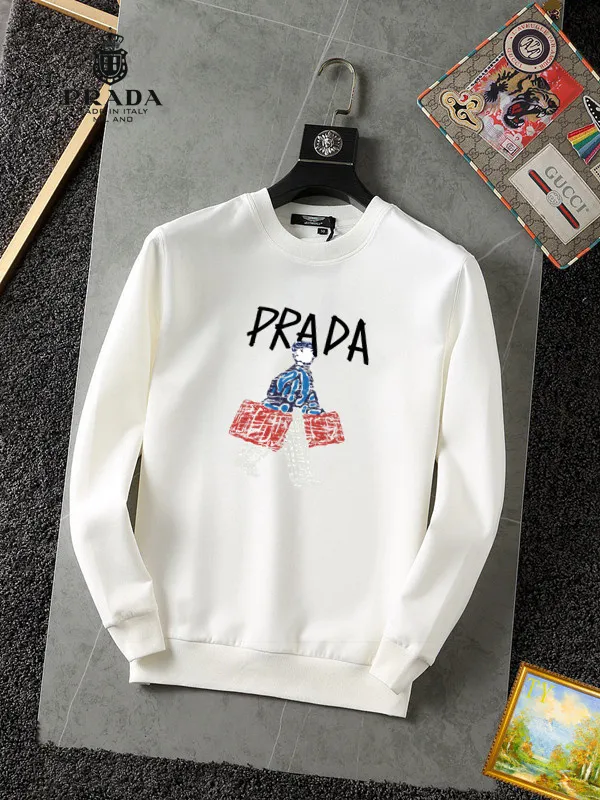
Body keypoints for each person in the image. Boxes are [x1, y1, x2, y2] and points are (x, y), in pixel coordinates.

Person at [262, 341, 324, 415]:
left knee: (311, 394)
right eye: (311, 352)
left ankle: (310, 407)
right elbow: (279, 383)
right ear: (298, 354)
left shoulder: (306, 373)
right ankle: (282, 404)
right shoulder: (296, 372)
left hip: (297, 399)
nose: (313, 355)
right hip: (283, 397)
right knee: (296, 385)